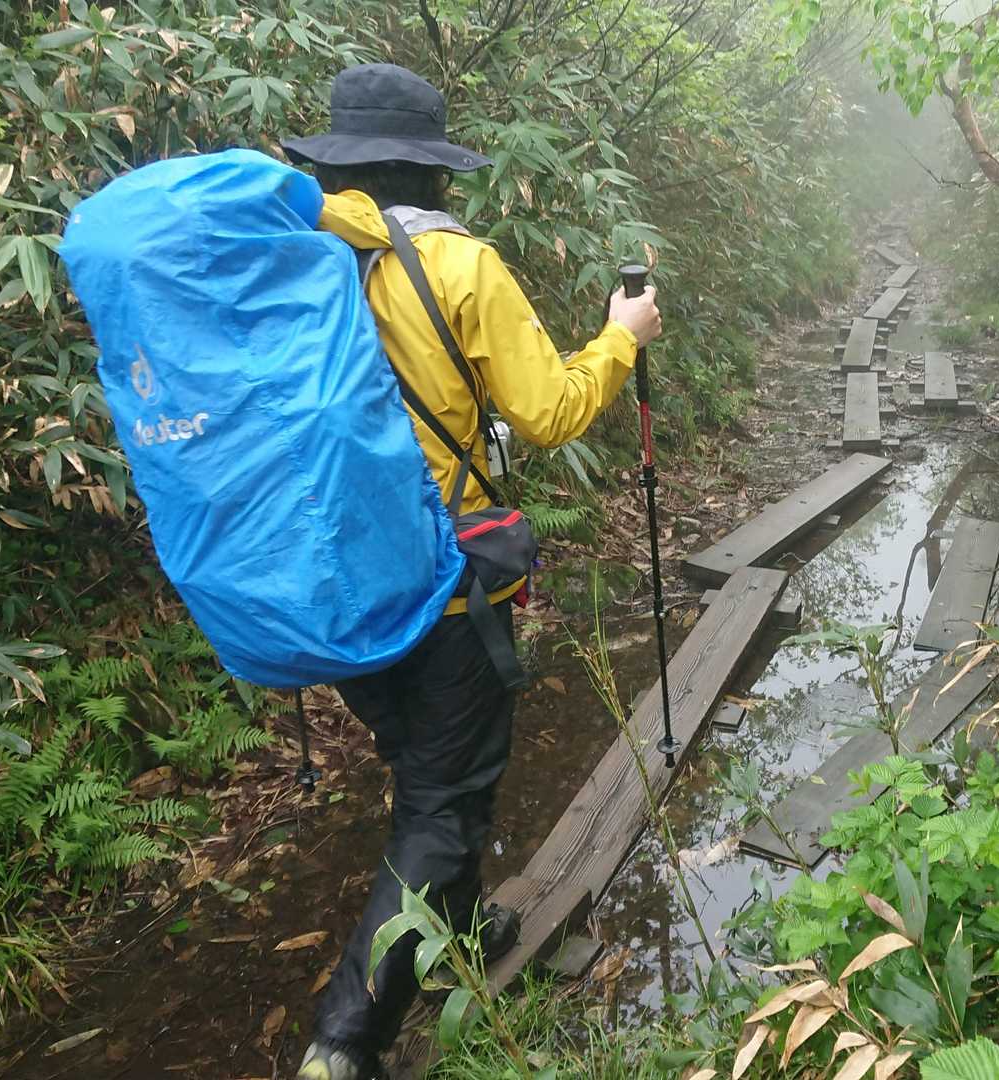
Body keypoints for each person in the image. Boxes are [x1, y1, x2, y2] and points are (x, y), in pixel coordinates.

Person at [279, 63, 661, 1080]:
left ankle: (455, 930)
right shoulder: (457, 264)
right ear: (433, 169)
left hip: (327, 578)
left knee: (422, 769)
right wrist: (620, 341)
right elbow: (548, 413)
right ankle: (344, 1043)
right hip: (437, 575)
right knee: (444, 801)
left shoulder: (295, 261)